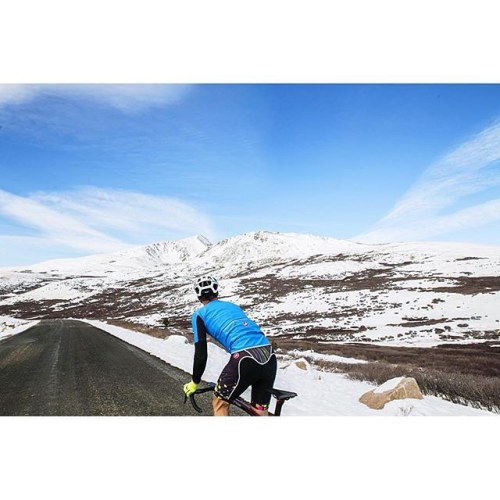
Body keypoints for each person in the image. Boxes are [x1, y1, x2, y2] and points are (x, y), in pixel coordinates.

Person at [183, 275, 277, 416]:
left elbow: (201, 354)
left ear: (198, 296)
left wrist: (194, 382)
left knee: (220, 402)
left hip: (244, 357)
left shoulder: (199, 314)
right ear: (217, 292)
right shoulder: (233, 306)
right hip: (269, 354)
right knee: (259, 411)